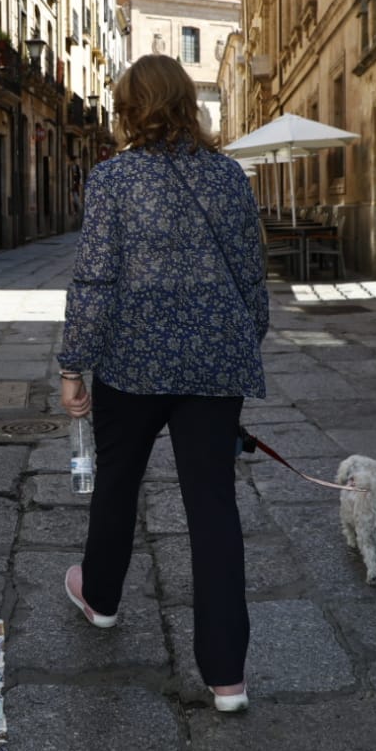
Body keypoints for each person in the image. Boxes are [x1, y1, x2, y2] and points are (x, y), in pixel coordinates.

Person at [56, 54, 270, 713]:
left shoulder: (114, 178)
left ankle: (100, 597)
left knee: (117, 483)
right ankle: (227, 674)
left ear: (129, 107)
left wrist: (73, 364)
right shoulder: (229, 175)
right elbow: (250, 273)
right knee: (212, 508)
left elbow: (95, 276)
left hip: (132, 361)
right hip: (213, 362)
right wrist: (241, 344)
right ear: (185, 103)